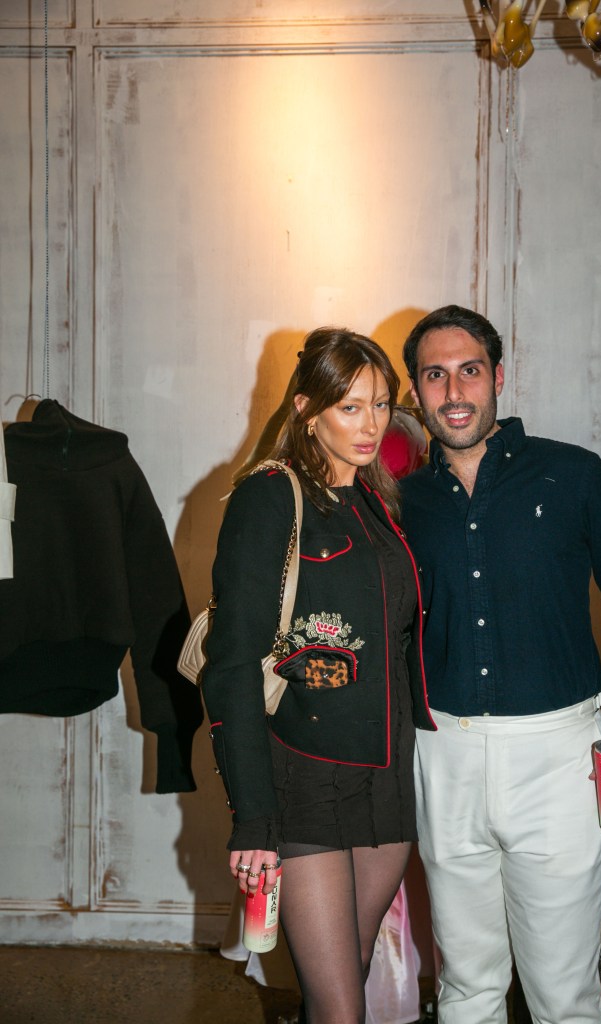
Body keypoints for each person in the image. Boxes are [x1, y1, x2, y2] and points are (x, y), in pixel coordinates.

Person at [398, 304, 601, 1024]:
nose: (454, 391)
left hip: (559, 759)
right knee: (466, 987)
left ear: (497, 376)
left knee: (562, 995)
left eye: (469, 370)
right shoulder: (402, 501)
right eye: (434, 375)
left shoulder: (570, 474)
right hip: (442, 755)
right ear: (415, 391)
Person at [201, 327, 436, 1024]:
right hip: (302, 774)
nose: (371, 426)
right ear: (306, 409)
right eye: (349, 407)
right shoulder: (271, 495)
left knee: (351, 975)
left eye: (380, 405)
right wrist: (253, 818)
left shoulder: (377, 501)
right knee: (339, 1008)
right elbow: (232, 662)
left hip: (386, 777)